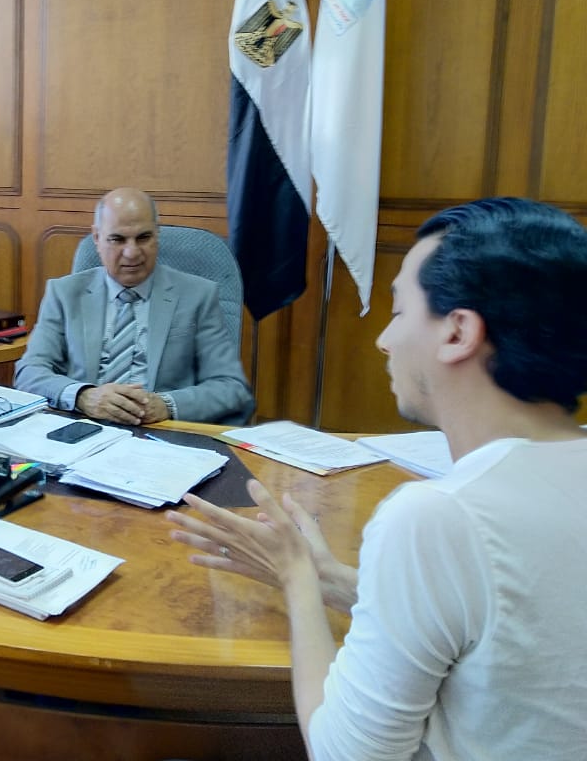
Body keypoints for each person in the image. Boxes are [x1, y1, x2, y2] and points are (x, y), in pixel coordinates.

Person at [167, 197, 587, 761]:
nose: (384, 340)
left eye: (399, 312)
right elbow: (503, 627)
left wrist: (297, 580)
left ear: (458, 332)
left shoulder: (438, 516)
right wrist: (331, 579)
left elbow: (342, 754)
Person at [14, 187, 254, 425]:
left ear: (157, 235)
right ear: (97, 238)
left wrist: (167, 404)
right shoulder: (64, 293)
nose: (131, 253)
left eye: (143, 238)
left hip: (160, 433)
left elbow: (230, 387)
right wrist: (83, 396)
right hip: (83, 428)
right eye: (117, 239)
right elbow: (29, 372)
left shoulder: (198, 295)